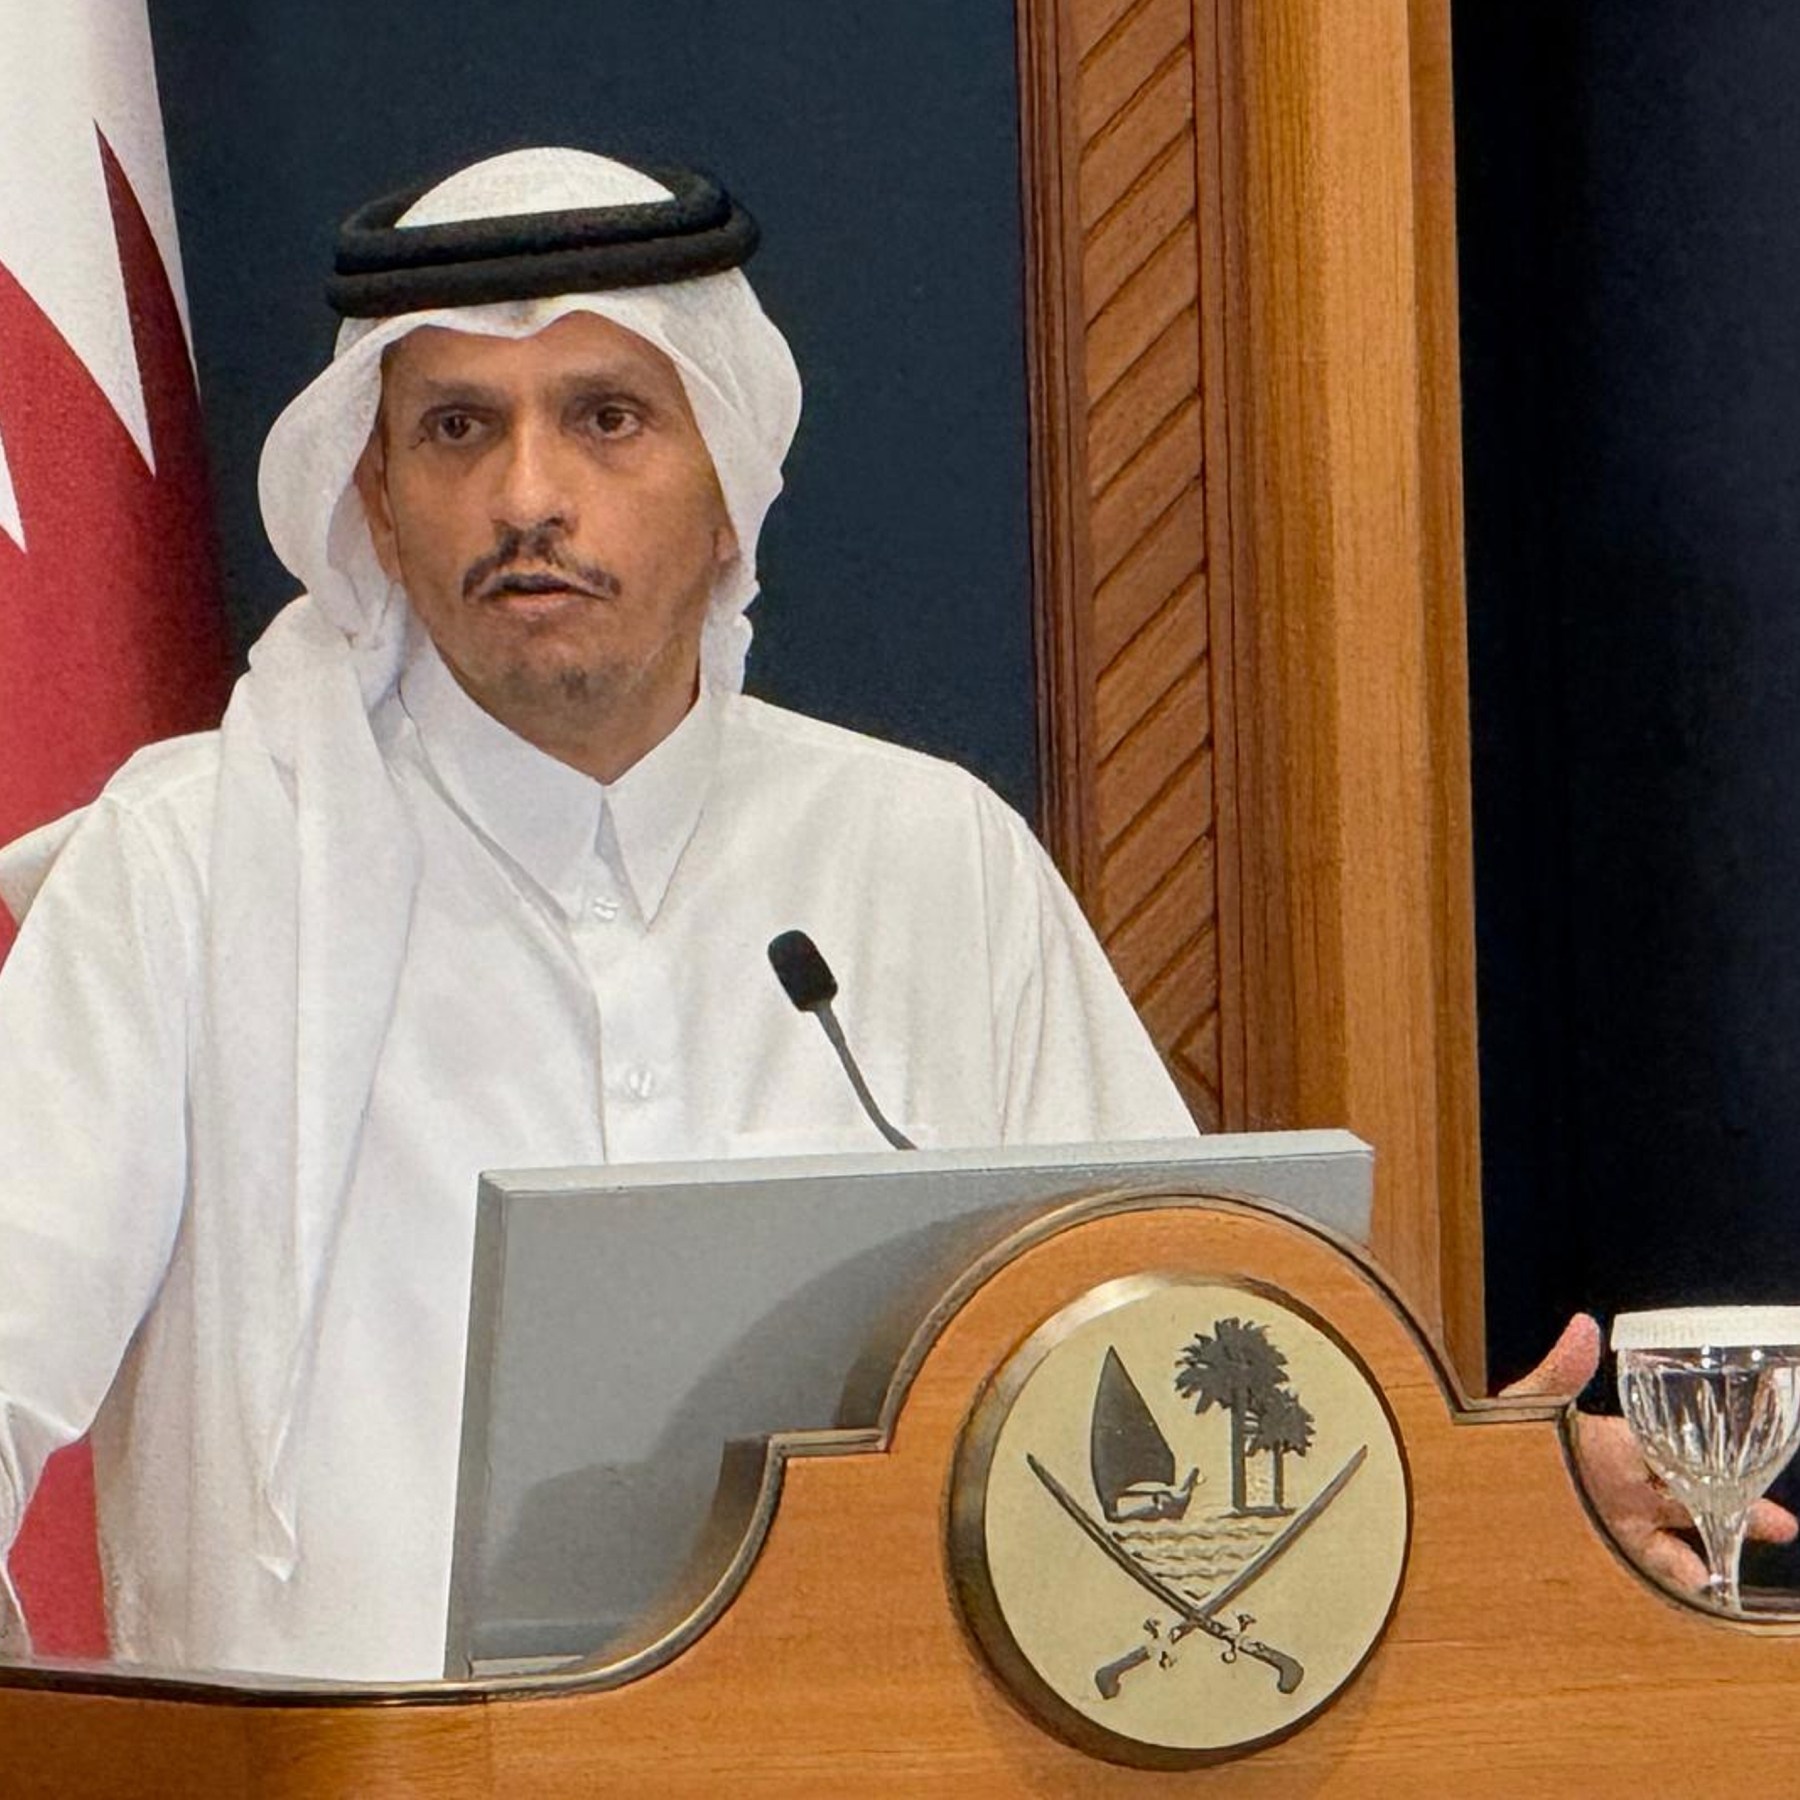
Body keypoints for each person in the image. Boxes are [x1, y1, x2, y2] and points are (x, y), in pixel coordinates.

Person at [0, 148, 1197, 1682]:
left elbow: (1160, 1342)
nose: (527, 498)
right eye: (456, 428)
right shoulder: (192, 867)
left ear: (728, 491)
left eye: (607, 418)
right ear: (379, 503)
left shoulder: (929, 861)